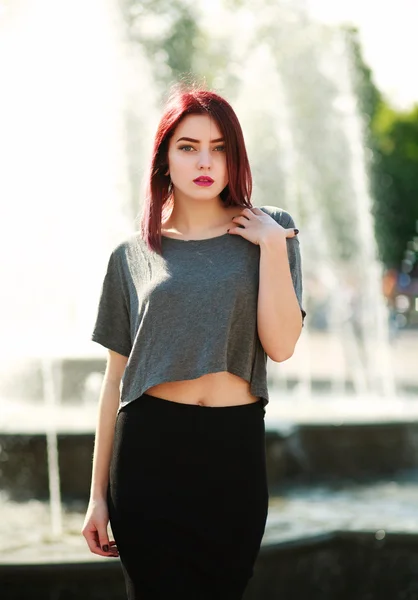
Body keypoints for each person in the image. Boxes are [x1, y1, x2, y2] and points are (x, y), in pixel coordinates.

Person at [81, 83, 306, 600]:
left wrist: (271, 248)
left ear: (235, 157)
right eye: (188, 146)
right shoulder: (131, 255)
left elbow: (282, 344)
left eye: (219, 147)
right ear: (165, 158)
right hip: (149, 454)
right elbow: (115, 382)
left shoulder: (273, 230)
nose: (205, 160)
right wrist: (96, 497)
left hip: (235, 449)